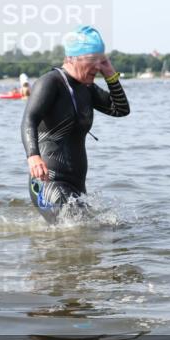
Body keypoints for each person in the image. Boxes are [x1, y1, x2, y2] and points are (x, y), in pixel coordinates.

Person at [21, 25, 130, 223]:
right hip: (49, 181)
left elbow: (120, 109)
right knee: (77, 228)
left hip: (76, 185)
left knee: (91, 234)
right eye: (93, 61)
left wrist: (110, 74)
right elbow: (30, 119)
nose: (98, 67)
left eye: (102, 61)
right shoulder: (50, 82)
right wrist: (33, 156)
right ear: (73, 58)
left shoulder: (86, 88)